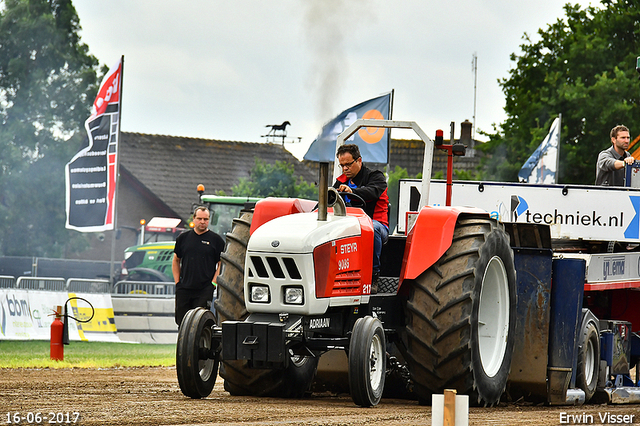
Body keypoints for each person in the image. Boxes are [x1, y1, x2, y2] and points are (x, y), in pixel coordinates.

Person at [333, 144, 389, 293]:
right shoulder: (340, 182)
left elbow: (372, 192)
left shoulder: (376, 177)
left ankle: (373, 276)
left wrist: (352, 191)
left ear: (359, 160)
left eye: (348, 164)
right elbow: (329, 200)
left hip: (378, 226)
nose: (345, 169)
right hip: (351, 227)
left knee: (372, 228)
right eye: (342, 165)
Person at [172, 206, 225, 326]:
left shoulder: (216, 240)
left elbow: (221, 264)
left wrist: (213, 284)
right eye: (200, 218)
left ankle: (199, 344)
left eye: (205, 219)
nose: (202, 222)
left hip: (204, 289)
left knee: (200, 322)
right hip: (184, 288)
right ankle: (183, 344)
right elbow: (176, 260)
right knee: (182, 322)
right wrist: (177, 283)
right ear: (194, 219)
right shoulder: (183, 238)